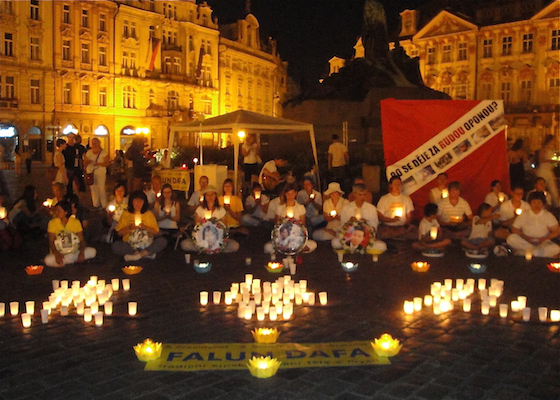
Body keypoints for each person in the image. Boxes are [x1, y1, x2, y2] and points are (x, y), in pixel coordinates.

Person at [181, 185, 239, 253]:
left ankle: (214, 249)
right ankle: (206, 249)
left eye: (212, 194)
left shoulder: (221, 210)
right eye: (207, 195)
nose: (210, 197)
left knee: (235, 246)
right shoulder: (200, 209)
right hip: (203, 238)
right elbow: (196, 227)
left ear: (215, 196)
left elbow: (224, 228)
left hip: (217, 238)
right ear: (205, 196)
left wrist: (215, 223)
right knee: (185, 244)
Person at [112, 190, 167, 261]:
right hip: (130, 245)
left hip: (147, 244)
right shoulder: (126, 214)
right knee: (116, 245)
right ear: (131, 201)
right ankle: (143, 254)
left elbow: (156, 232)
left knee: (162, 241)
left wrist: (145, 227)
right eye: (136, 200)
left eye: (141, 200)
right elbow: (119, 233)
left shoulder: (148, 214)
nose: (138, 203)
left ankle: (138, 255)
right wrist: (129, 228)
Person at [332, 183, 386, 253]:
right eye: (360, 195)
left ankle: (359, 248)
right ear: (354, 194)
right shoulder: (347, 208)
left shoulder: (371, 208)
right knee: (335, 243)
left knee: (382, 246)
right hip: (350, 238)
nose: (362, 197)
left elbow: (374, 228)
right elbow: (343, 227)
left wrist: (365, 224)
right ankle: (356, 248)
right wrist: (350, 222)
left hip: (365, 238)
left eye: (364, 195)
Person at [264, 182, 317, 253]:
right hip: (283, 237)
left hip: (296, 236)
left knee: (313, 245)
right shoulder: (280, 208)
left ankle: (294, 248)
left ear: (295, 194)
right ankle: (289, 248)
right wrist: (284, 221)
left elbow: (303, 226)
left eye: (292, 194)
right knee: (268, 247)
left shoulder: (300, 207)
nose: (290, 196)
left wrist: (295, 223)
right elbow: (276, 226)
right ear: (285, 194)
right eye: (288, 194)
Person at [507, 191, 559, 258]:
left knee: (556, 248)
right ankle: (535, 252)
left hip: (543, 242)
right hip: (526, 241)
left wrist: (544, 239)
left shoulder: (548, 215)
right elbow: (514, 228)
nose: (536, 205)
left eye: (539, 202)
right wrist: (525, 237)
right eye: (534, 202)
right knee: (511, 238)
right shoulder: (524, 214)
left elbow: (556, 231)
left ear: (542, 203)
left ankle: (526, 253)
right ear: (530, 203)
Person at [44, 200, 96, 267]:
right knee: (48, 260)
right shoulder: (52, 223)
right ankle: (72, 261)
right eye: (56, 210)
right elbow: (51, 241)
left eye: (58, 210)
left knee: (92, 251)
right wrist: (57, 254)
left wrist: (82, 252)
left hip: (73, 252)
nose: (56, 212)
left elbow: (81, 240)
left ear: (65, 212)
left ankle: (65, 262)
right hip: (60, 253)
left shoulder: (75, 222)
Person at [84, 138, 110, 209]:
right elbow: (84, 162)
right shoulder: (89, 152)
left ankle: (104, 204)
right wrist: (88, 162)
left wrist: (99, 164)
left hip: (100, 172)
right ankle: (95, 204)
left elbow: (107, 163)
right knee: (93, 188)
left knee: (101, 188)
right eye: (93, 143)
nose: (94, 145)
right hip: (91, 172)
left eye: (95, 143)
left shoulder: (103, 153)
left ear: (99, 143)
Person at [536, 134, 559, 207]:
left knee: (553, 189)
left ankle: (557, 205)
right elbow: (540, 160)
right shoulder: (544, 149)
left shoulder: (552, 150)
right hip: (543, 170)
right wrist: (551, 161)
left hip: (549, 171)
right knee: (541, 188)